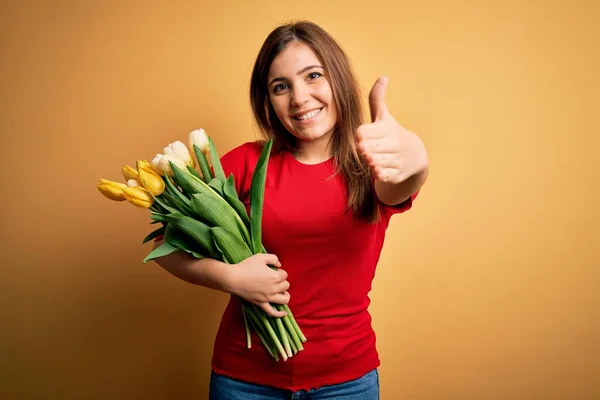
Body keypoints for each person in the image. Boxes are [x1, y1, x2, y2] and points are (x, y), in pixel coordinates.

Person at [154, 20, 429, 400]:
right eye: (281, 87)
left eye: (313, 76)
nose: (299, 98)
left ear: (339, 80)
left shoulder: (371, 165)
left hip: (347, 381)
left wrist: (417, 159)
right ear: (268, 102)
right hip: (244, 380)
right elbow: (164, 243)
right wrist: (230, 278)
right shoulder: (248, 163)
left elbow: (401, 182)